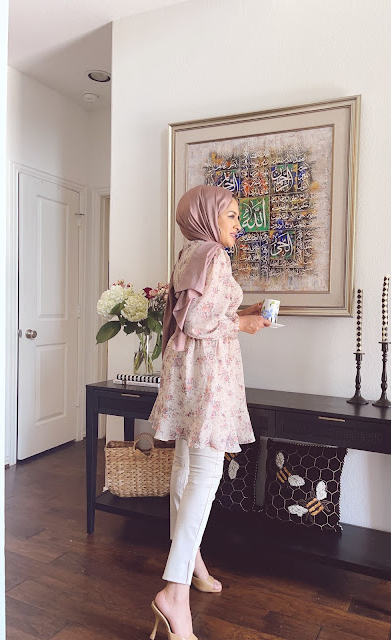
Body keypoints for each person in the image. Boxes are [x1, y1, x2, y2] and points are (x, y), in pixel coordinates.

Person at [148, 184, 271, 640]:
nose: (239, 224)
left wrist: (244, 311)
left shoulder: (190, 253)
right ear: (207, 216)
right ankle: (174, 592)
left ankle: (192, 563)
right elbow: (201, 321)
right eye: (232, 215)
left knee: (185, 470)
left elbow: (196, 311)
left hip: (186, 374)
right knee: (204, 475)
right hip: (208, 379)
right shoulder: (215, 255)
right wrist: (243, 322)